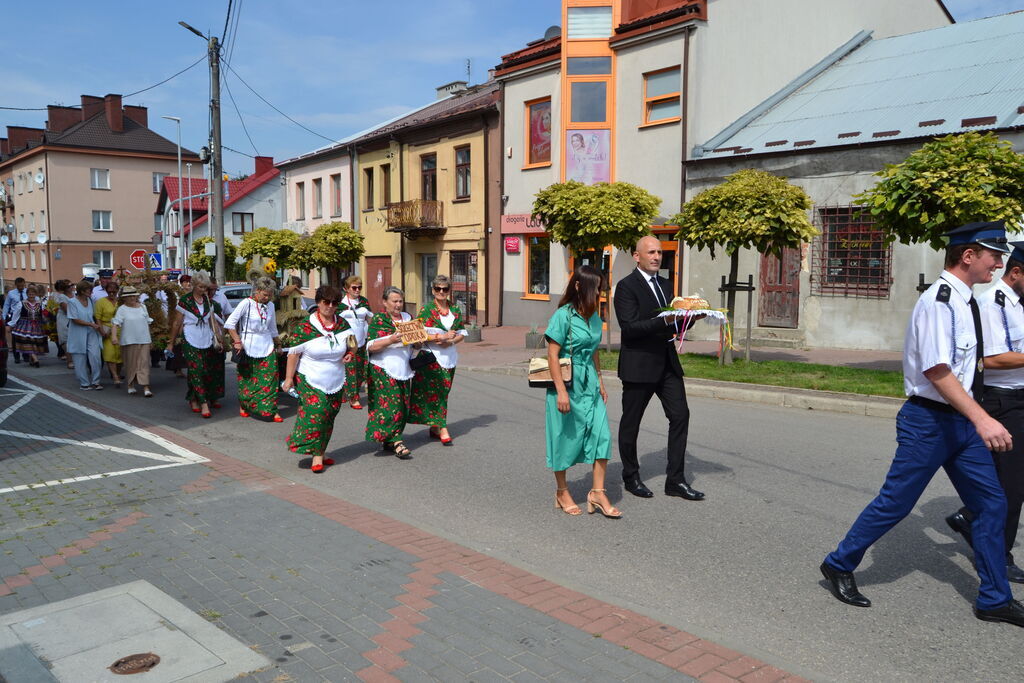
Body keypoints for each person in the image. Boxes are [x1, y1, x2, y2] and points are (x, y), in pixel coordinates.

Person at [820, 221, 1024, 627]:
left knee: (992, 505)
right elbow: (936, 369)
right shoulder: (939, 302)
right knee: (896, 502)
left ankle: (995, 598)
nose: (999, 263)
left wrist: (975, 417)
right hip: (929, 421)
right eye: (993, 254)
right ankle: (839, 562)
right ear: (968, 256)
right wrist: (984, 418)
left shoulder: (968, 301)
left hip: (962, 422)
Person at [945, 241, 1024, 584]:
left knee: (1014, 481)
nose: (994, 264)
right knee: (1010, 485)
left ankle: (969, 515)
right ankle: (996, 555)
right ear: (1017, 273)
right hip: (1001, 400)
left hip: (1019, 396)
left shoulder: (1019, 304)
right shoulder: (993, 303)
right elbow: (988, 359)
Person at [614, 235, 704, 501]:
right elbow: (630, 328)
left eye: (660, 253)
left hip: (666, 364)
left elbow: (673, 327)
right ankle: (631, 476)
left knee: (680, 416)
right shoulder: (626, 286)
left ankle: (675, 480)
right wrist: (665, 319)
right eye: (651, 252)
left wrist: (689, 320)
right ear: (637, 256)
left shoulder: (666, 285)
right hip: (638, 365)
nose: (656, 257)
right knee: (631, 424)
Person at [545, 265, 620, 518]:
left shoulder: (594, 317)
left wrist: (600, 380)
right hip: (566, 383)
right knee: (564, 437)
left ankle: (597, 493)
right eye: (596, 288)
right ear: (579, 286)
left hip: (589, 384)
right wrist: (561, 391)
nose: (599, 293)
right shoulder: (563, 316)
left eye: (601, 288)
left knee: (603, 436)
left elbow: (594, 349)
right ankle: (562, 490)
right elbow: (553, 354)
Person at [281, 285, 354, 473]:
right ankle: (317, 455)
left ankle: (319, 450)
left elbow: (352, 344)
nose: (330, 306)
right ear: (318, 302)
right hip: (310, 377)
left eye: (334, 303)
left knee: (329, 415)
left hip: (336, 378)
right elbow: (293, 355)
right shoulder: (305, 327)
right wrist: (289, 379)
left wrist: (350, 354)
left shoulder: (343, 325)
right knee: (318, 411)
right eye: (326, 302)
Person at [409, 275, 466, 444]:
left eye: (445, 289)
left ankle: (434, 426)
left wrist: (451, 341)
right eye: (438, 289)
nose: (441, 292)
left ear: (449, 291)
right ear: (433, 290)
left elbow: (461, 333)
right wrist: (438, 337)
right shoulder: (426, 310)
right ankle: (442, 427)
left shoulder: (455, 310)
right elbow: (418, 334)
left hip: (450, 358)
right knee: (438, 393)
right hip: (431, 358)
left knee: (443, 392)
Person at [365, 286, 416, 459]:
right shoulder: (379, 319)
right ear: (385, 302)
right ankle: (397, 441)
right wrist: (391, 340)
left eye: (400, 301)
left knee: (402, 405)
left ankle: (389, 439)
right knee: (392, 405)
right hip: (383, 368)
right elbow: (371, 346)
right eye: (394, 301)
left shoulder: (408, 318)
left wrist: (418, 341)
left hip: (403, 368)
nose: (398, 305)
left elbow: (417, 344)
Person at [226, 276, 283, 422]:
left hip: (266, 344)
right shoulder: (246, 303)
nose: (268, 298)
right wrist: (237, 341)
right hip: (248, 345)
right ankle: (245, 405)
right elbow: (230, 324)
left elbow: (272, 327)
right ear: (257, 291)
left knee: (270, 378)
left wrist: (278, 344)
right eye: (265, 295)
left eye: (270, 295)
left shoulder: (270, 305)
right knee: (248, 379)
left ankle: (270, 410)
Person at [168, 271, 225, 418]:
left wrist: (219, 337)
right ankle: (204, 403)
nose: (203, 290)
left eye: (205, 288)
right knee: (197, 369)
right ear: (193, 285)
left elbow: (212, 321)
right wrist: (171, 343)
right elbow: (176, 323)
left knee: (203, 371)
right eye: (200, 287)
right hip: (190, 338)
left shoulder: (208, 301)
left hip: (205, 338)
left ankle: (192, 398)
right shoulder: (185, 301)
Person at [110, 286, 154, 397]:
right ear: (124, 298)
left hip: (144, 339)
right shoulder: (122, 309)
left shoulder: (143, 307)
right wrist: (114, 336)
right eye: (129, 296)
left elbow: (147, 323)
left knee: (144, 363)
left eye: (134, 296)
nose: (132, 298)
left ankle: (146, 387)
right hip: (129, 340)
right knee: (131, 364)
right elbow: (115, 324)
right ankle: (130, 385)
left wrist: (150, 339)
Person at [338, 276, 371, 410]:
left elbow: (369, 319)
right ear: (346, 289)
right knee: (351, 369)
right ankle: (354, 397)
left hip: (362, 341)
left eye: (359, 287)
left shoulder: (364, 302)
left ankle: (347, 391)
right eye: (354, 287)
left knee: (361, 371)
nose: (357, 290)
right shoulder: (340, 304)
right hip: (348, 343)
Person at [67, 280, 104, 390]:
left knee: (95, 356)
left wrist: (97, 327)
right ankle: (84, 383)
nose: (91, 292)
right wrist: (90, 324)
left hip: (92, 332)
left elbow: (94, 315)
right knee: (79, 358)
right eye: (89, 290)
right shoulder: (72, 302)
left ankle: (96, 381)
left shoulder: (90, 300)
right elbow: (74, 319)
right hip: (78, 333)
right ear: (82, 291)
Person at [8, 284, 48, 367]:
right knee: (28, 342)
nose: (31, 296)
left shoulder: (40, 304)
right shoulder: (21, 303)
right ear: (27, 294)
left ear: (35, 294)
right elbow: (16, 314)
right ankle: (35, 359)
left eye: (33, 294)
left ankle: (31, 359)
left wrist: (47, 322)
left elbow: (43, 315)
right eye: (29, 294)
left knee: (35, 343)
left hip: (37, 326)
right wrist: (12, 324)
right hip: (25, 325)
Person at [95, 281, 123, 386]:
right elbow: (97, 318)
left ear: (117, 291)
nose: (111, 294)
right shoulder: (100, 302)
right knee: (110, 353)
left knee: (120, 354)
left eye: (114, 292)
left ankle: (118, 374)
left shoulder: (121, 302)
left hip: (120, 329)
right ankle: (115, 377)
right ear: (106, 291)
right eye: (109, 292)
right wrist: (102, 331)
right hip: (107, 329)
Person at [3, 277, 27, 364]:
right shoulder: (11, 293)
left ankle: (26, 355)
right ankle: (16, 356)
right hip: (14, 316)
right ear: (16, 285)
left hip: (25, 316)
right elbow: (6, 305)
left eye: (22, 285)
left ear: (24, 284)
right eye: (19, 286)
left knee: (24, 336)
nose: (21, 287)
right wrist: (4, 317)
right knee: (15, 337)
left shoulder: (27, 292)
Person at [54, 280, 76, 370]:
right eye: (70, 285)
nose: (72, 287)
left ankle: (76, 360)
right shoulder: (62, 297)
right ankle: (69, 360)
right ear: (65, 288)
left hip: (74, 318)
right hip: (64, 319)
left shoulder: (75, 295)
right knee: (66, 340)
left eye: (72, 285)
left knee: (74, 339)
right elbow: (67, 309)